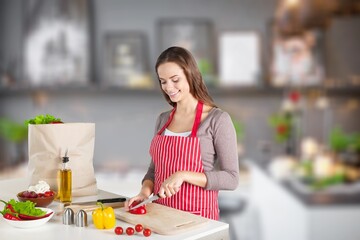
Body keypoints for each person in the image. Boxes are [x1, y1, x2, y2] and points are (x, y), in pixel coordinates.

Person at [124, 46, 239, 220]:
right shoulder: (163, 120)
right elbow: (154, 171)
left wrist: (183, 175)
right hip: (160, 218)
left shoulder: (217, 119)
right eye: (163, 81)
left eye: (175, 79)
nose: (168, 87)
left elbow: (231, 179)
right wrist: (144, 193)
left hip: (198, 220)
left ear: (191, 75)